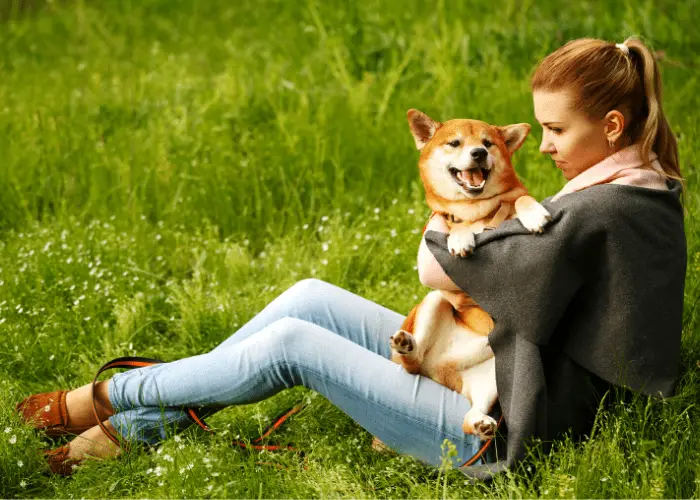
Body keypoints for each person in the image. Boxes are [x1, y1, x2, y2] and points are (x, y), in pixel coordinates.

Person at [16, 36, 686, 479]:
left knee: (292, 344)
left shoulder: (605, 212)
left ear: (612, 127)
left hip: (499, 430)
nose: (539, 147)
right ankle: (129, 430)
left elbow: (445, 262)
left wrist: (451, 223)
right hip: (489, 372)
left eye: (555, 129)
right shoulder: (632, 194)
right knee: (308, 296)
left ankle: (103, 401)